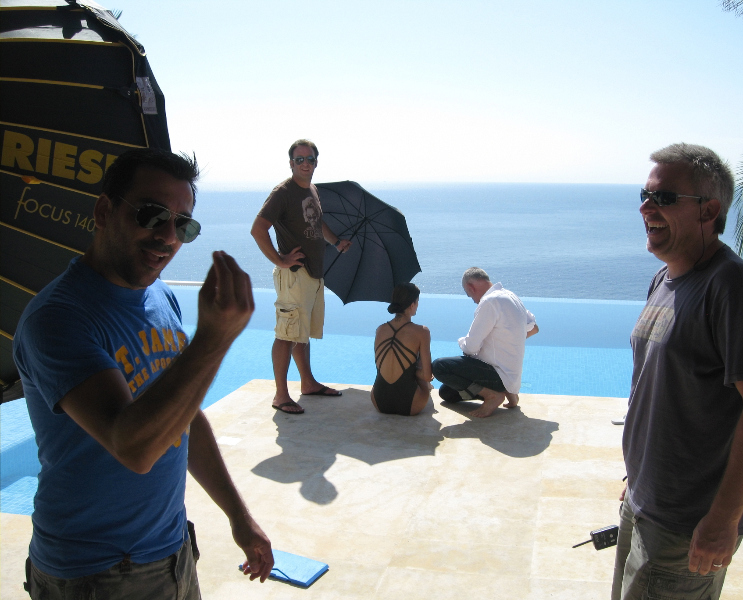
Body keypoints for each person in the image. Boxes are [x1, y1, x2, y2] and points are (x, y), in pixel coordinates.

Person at [13, 148, 274, 599]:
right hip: (95, 574)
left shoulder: (160, 297)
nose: (168, 236)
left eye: (183, 225)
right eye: (151, 214)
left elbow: (183, 417)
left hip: (172, 551)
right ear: (104, 211)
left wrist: (238, 515)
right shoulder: (58, 319)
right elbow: (133, 447)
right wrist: (213, 340)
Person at [612, 143, 743, 600]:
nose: (646, 207)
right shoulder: (665, 278)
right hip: (647, 500)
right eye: (645, 195)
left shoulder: (733, 288)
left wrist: (724, 520)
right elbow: (655, 387)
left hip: (689, 522)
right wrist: (637, 478)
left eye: (664, 198)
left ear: (709, 210)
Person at [251, 139, 352, 414]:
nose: (305, 163)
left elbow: (316, 222)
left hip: (313, 275)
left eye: (310, 159)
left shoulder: (311, 190)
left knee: (300, 332)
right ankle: (281, 395)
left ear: (316, 162)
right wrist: (280, 260)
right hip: (294, 276)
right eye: (299, 159)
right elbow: (258, 229)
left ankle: (307, 383)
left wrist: (336, 242)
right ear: (291, 163)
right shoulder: (283, 192)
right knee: (286, 334)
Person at [431, 268, 538, 418]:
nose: (474, 301)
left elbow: (470, 348)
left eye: (470, 296)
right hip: (511, 377)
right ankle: (508, 392)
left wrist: (462, 342)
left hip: (497, 373)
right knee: (446, 393)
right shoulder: (511, 297)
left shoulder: (490, 302)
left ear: (471, 287)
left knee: (440, 366)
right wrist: (508, 340)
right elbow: (534, 328)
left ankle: (493, 396)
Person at [371, 283, 433, 416]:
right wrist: (415, 372)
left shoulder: (380, 329)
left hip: (379, 401)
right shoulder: (422, 332)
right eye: (417, 302)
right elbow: (427, 376)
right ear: (412, 304)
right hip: (411, 404)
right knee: (420, 365)